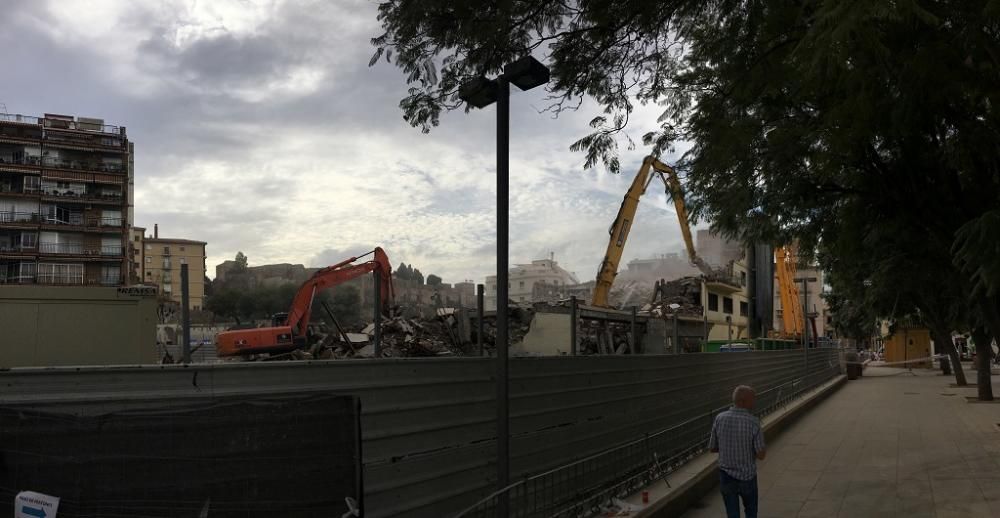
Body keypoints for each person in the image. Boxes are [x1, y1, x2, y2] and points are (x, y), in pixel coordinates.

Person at [708, 385, 766, 518]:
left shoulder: (719, 418)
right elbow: (761, 455)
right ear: (743, 401)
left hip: (726, 476)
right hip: (747, 477)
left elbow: (712, 448)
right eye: (753, 399)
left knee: (732, 513)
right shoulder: (753, 422)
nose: (755, 402)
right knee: (751, 511)